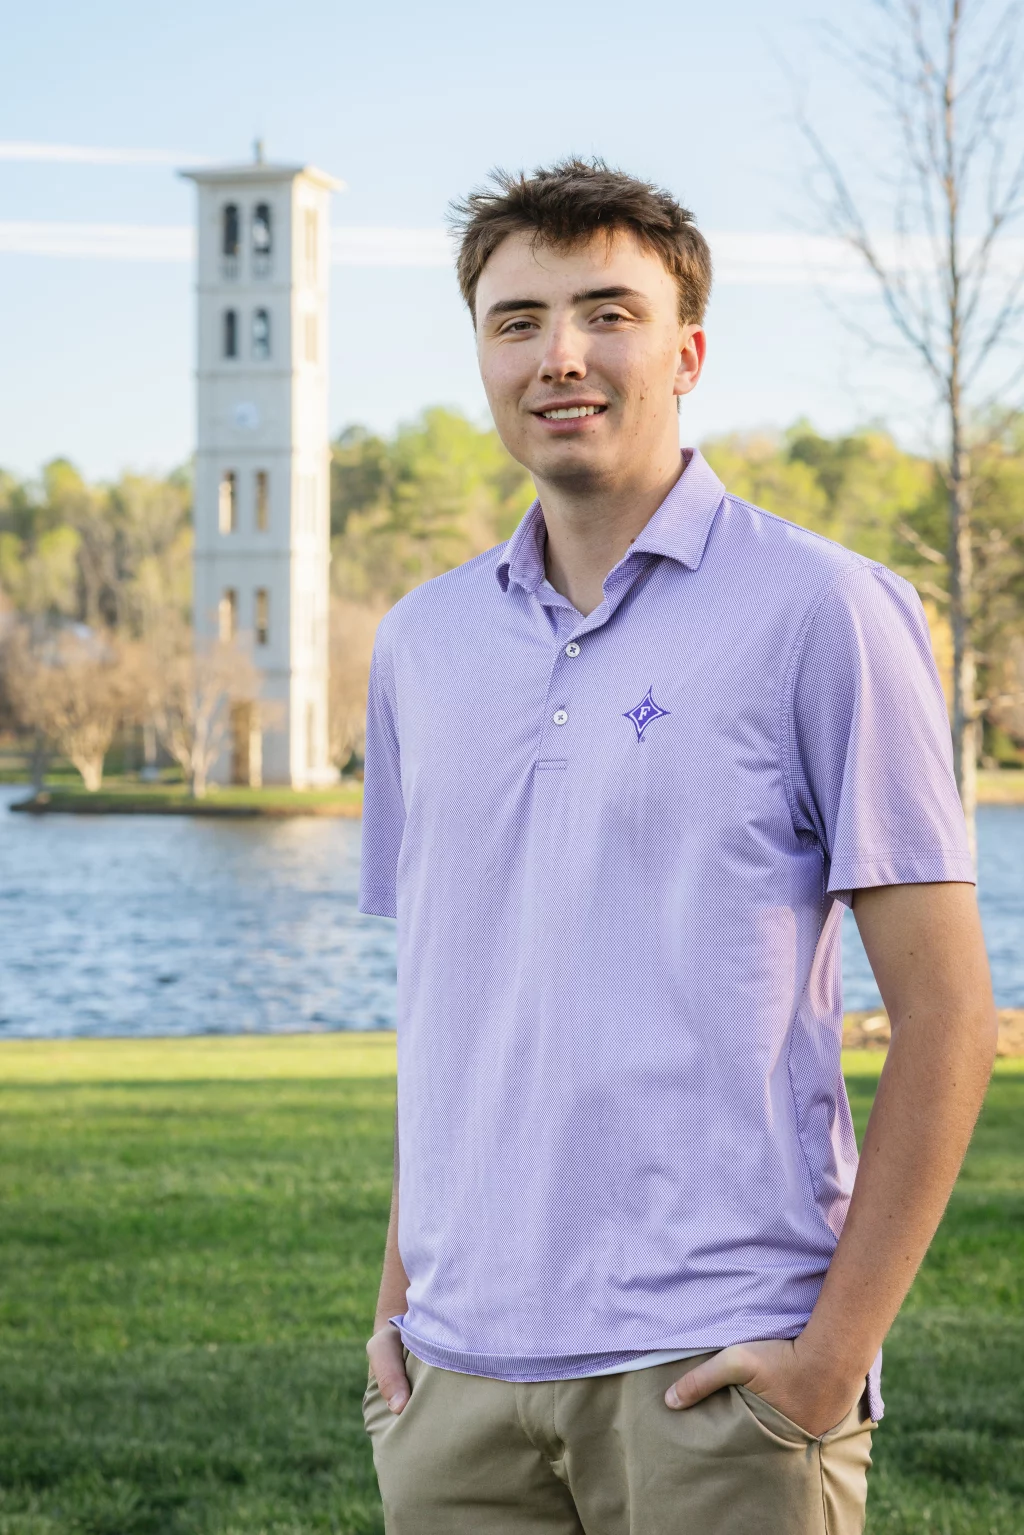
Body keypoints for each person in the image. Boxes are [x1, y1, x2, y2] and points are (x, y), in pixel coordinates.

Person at [358, 158, 997, 1534]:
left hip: (717, 1384)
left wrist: (827, 1365)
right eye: (517, 320)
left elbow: (949, 1016)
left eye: (609, 312)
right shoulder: (419, 643)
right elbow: (456, 1004)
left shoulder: (826, 611)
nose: (561, 355)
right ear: (481, 354)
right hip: (456, 1392)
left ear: (688, 350)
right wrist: (395, 1311)